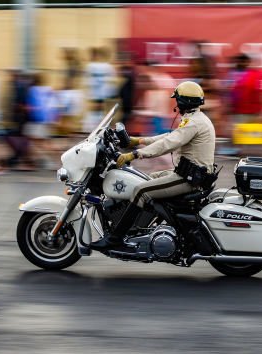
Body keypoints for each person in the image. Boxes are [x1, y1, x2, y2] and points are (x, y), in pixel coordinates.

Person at [90, 81, 216, 251]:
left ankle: (115, 239)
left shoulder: (194, 122)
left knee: (140, 191)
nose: (176, 103)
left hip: (189, 179)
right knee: (145, 179)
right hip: (189, 174)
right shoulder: (194, 119)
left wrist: (135, 154)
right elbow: (169, 136)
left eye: (177, 100)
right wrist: (139, 140)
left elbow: (168, 143)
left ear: (183, 102)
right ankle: (140, 228)